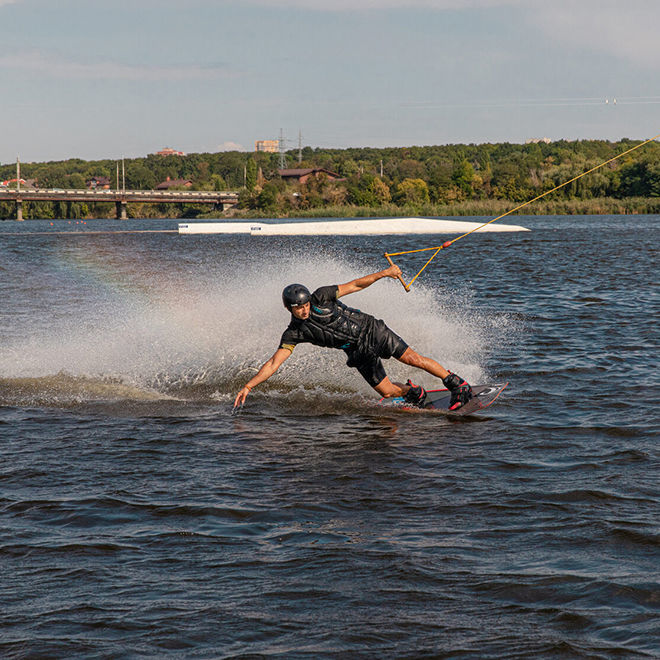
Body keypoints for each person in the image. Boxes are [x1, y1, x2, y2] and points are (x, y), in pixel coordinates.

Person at [233, 265, 473, 410]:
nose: (304, 310)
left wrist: (386, 273)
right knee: (388, 392)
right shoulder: (294, 333)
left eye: (305, 305)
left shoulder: (322, 296)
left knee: (412, 358)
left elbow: (356, 285)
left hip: (371, 331)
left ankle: (457, 384)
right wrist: (248, 386)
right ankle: (413, 393)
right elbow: (274, 363)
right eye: (299, 308)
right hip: (356, 351)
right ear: (290, 309)